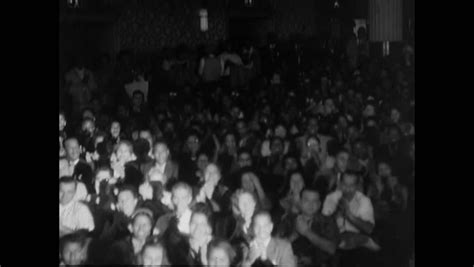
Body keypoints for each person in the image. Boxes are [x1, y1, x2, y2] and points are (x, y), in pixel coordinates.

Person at [322, 171, 380, 267]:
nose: (348, 189)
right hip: (336, 241)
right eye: (345, 184)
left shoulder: (364, 200)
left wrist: (349, 215)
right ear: (340, 184)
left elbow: (369, 229)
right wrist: (337, 212)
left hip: (357, 245)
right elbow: (324, 224)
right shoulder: (331, 198)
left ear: (357, 186)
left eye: (351, 185)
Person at [278, 186, 339, 267]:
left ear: (319, 204)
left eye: (315, 201)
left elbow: (332, 248)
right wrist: (292, 236)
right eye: (306, 200)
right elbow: (276, 245)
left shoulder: (327, 221)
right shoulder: (289, 219)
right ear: (300, 202)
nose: (310, 204)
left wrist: (307, 232)